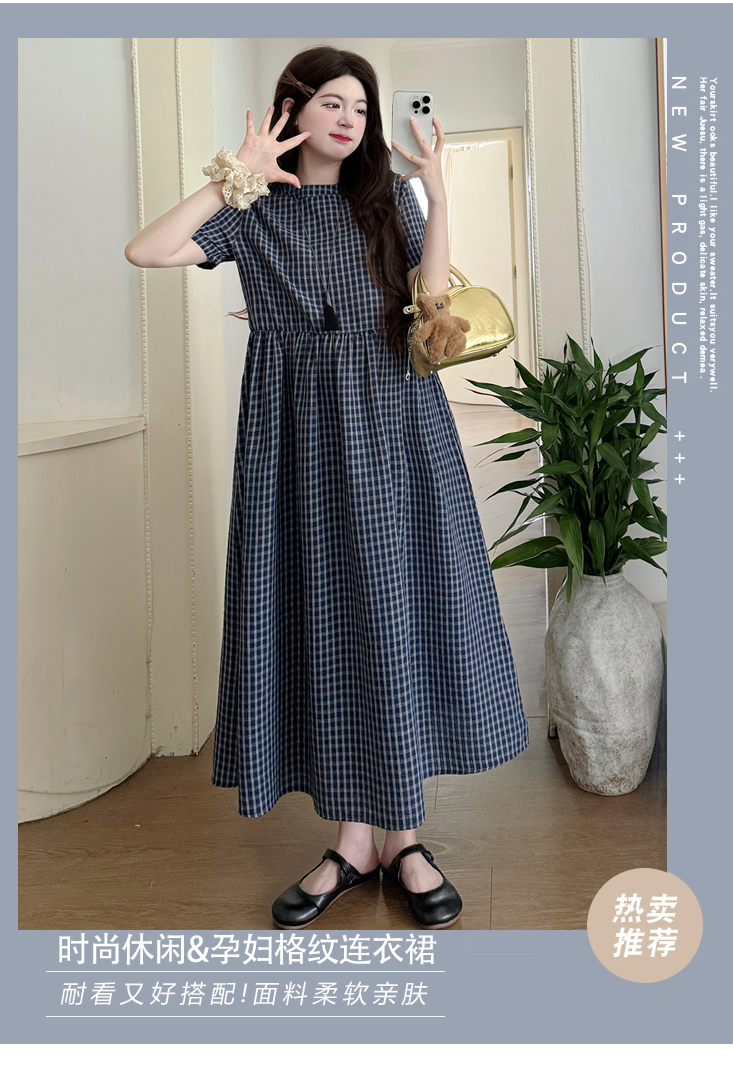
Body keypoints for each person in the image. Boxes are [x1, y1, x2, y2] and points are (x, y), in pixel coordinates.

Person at [125, 45, 528, 931]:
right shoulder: (253, 208)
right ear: (292, 109)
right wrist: (234, 176)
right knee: (328, 618)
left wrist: (438, 192)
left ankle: (404, 837)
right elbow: (145, 250)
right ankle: (354, 842)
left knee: (399, 613)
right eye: (334, 103)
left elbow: (431, 300)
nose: (350, 120)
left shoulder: (385, 202)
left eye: (361, 108)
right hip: (298, 438)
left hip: (398, 426)